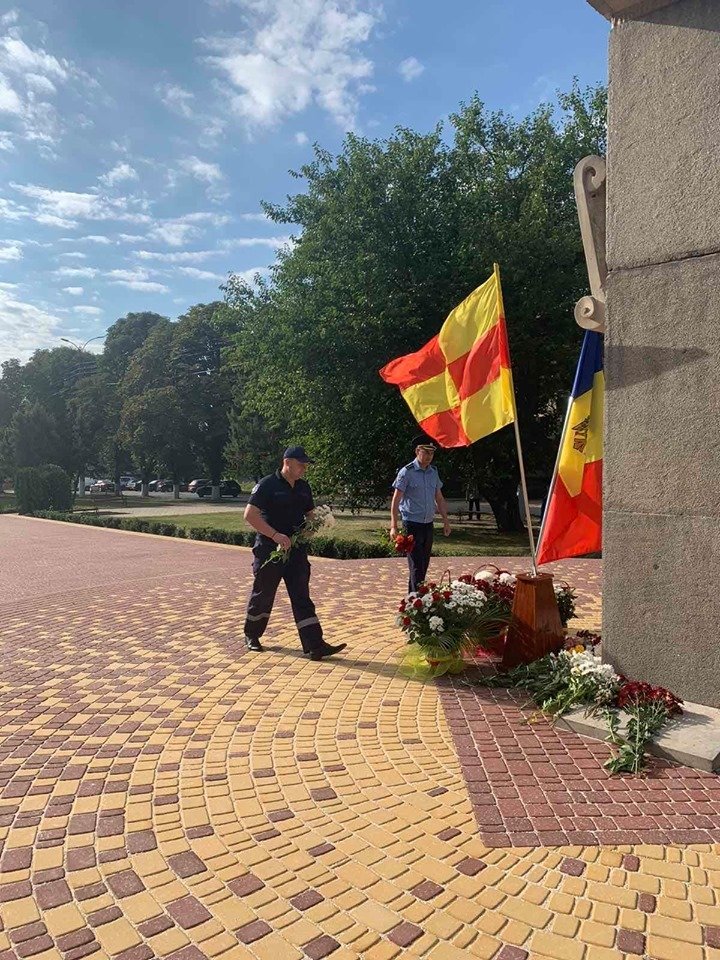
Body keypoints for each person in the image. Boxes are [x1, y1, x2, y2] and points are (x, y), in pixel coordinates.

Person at [242, 446, 346, 661]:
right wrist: (275, 535)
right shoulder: (267, 485)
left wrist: (312, 526)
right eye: (301, 464)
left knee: (301, 596)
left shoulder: (303, 487)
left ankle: (314, 645)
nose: (304, 469)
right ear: (287, 462)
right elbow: (250, 516)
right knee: (264, 594)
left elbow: (309, 514)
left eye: (306, 465)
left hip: (296, 551)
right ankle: (252, 635)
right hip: (270, 549)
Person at [390, 436, 451, 593]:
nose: (429, 456)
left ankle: (413, 600)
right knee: (416, 566)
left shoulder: (433, 472)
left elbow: (439, 497)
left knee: (423, 564)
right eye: (426, 452)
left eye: (432, 453)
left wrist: (446, 521)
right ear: (417, 451)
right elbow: (396, 499)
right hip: (412, 524)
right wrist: (393, 526)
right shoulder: (407, 472)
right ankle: (417, 601)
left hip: (428, 524)